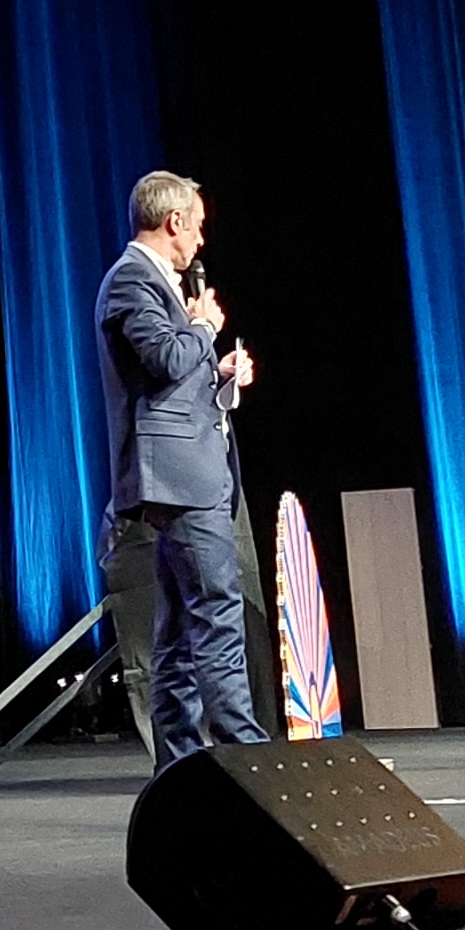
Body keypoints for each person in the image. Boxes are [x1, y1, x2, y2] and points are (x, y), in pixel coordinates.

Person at [102, 171, 264, 773]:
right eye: (196, 226)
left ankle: (180, 769)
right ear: (173, 222)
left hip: (190, 471)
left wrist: (218, 373)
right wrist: (203, 327)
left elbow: (175, 376)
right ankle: (246, 759)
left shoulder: (153, 282)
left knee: (175, 636)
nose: (200, 240)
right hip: (179, 478)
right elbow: (167, 357)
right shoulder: (131, 280)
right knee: (217, 613)